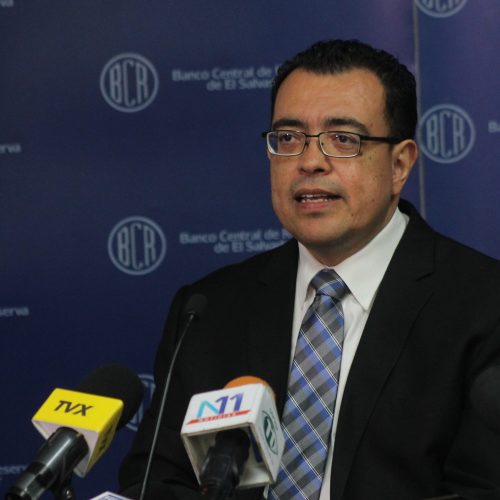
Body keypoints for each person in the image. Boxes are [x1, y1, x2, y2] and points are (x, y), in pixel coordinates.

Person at [119, 39, 500, 499]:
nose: (310, 161)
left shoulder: (483, 306)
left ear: (400, 164)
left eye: (343, 139)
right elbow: (154, 480)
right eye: (288, 138)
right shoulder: (208, 310)